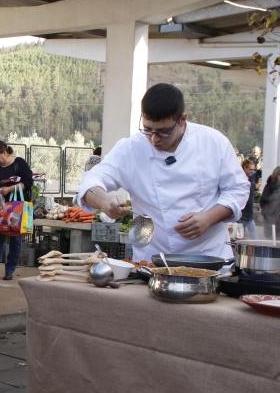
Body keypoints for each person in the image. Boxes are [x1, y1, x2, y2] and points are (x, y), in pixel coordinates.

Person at [78, 83, 249, 262]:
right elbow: (92, 180)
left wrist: (209, 218)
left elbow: (238, 189)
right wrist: (104, 201)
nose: (154, 138)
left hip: (209, 259)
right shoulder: (131, 148)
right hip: (153, 261)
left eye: (163, 132)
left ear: (182, 120)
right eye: (147, 129)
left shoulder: (213, 142)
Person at [0, 141, 34, 281]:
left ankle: (10, 271)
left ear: (5, 152)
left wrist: (9, 189)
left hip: (16, 208)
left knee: (15, 239)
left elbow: (28, 182)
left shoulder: (19, 163)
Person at [238, 158, 259, 239]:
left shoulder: (251, 178)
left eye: (253, 170)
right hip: (240, 216)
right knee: (239, 239)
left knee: (255, 238)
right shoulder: (239, 179)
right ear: (244, 168)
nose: (252, 171)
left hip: (249, 215)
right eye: (250, 169)